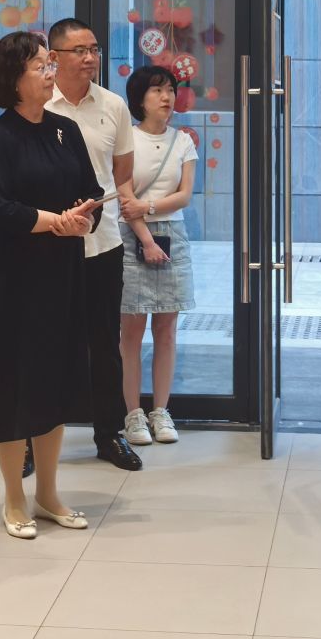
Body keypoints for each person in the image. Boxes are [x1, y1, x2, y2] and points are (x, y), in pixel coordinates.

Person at [0, 31, 102, 539]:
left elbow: (91, 193)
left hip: (62, 277)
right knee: (11, 385)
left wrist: (82, 220)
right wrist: (54, 222)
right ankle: (14, 497)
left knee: (55, 381)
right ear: (13, 78)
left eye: (51, 65)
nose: (52, 74)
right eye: (41, 67)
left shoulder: (65, 130)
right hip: (13, 282)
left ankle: (48, 493)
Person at [44, 17, 144, 471]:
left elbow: (121, 172)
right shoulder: (38, 104)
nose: (90, 58)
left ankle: (109, 434)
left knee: (104, 343)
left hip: (102, 243)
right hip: (47, 243)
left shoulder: (113, 105)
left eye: (95, 49)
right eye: (79, 50)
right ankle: (34, 439)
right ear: (54, 57)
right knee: (46, 342)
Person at [115, 65, 197, 447]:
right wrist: (147, 238)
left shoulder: (184, 141)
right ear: (139, 98)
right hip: (133, 237)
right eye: (157, 90)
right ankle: (133, 414)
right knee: (131, 331)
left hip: (173, 236)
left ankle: (161, 411)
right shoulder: (127, 139)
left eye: (171, 90)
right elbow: (123, 195)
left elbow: (184, 196)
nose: (167, 97)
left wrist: (147, 208)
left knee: (166, 329)